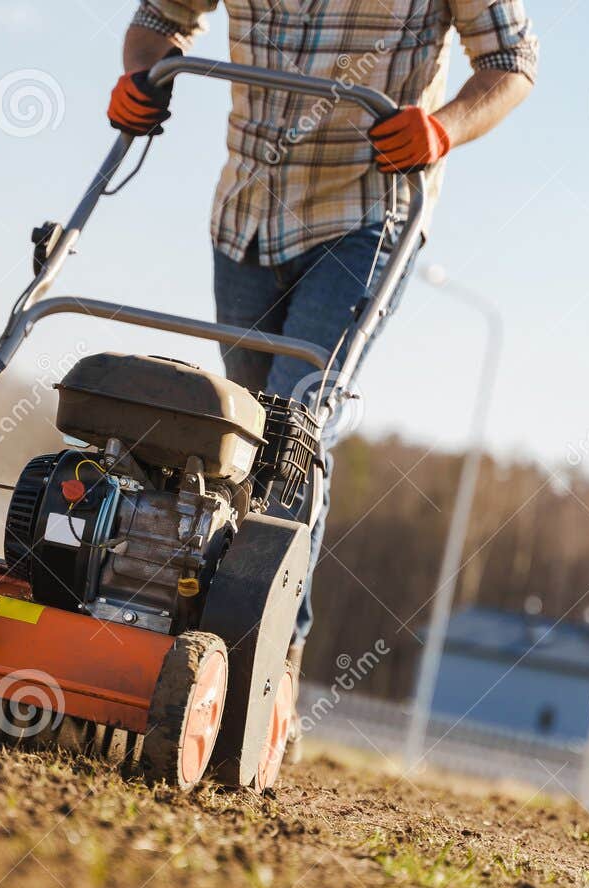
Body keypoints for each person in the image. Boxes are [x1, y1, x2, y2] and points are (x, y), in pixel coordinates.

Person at [108, 1, 537, 761]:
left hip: (364, 216)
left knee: (292, 429)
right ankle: (168, 618)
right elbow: (161, 16)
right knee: (234, 437)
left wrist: (443, 129)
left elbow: (510, 64)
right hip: (244, 217)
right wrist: (141, 72)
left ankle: (270, 668)